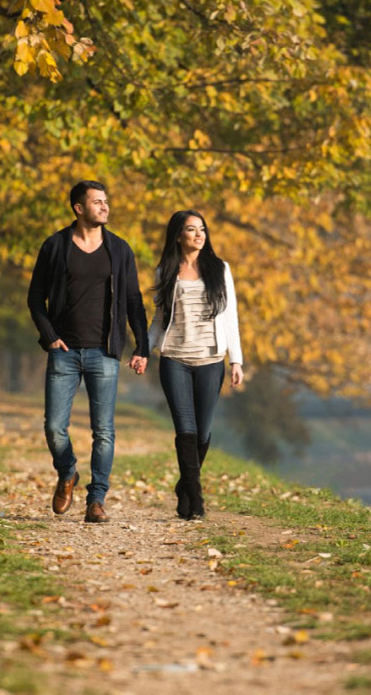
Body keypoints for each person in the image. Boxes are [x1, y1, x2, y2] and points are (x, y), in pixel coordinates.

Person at [27, 181, 149, 524]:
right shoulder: (54, 246)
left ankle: (96, 501)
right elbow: (35, 298)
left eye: (106, 201)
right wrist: (49, 336)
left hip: (105, 352)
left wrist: (142, 346)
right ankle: (67, 472)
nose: (105, 207)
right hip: (64, 351)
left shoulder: (120, 250)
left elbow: (134, 301)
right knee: (54, 427)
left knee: (104, 431)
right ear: (78, 208)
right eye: (97, 202)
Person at [148, 210, 244, 520]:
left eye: (202, 229)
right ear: (178, 236)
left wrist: (236, 360)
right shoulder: (165, 270)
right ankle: (196, 498)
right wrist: (144, 349)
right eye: (191, 230)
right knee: (186, 430)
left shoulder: (219, 268)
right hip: (174, 357)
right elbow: (159, 319)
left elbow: (230, 317)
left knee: (203, 432)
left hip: (211, 359)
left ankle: (184, 486)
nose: (199, 235)